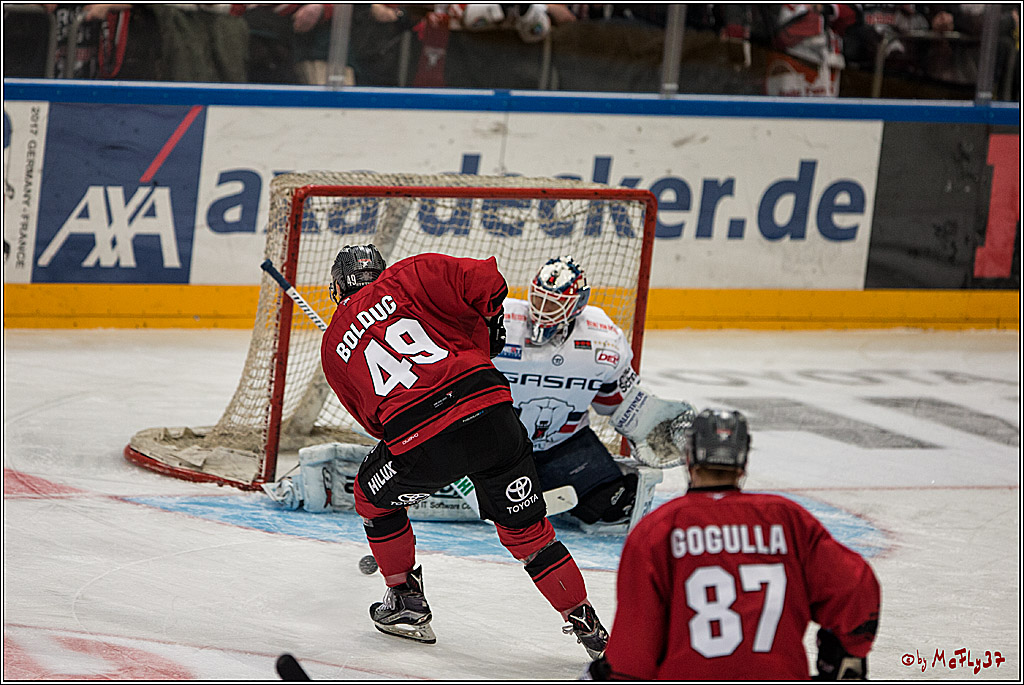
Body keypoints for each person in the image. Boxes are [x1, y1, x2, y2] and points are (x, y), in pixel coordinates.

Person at [318, 244, 608, 657]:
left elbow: (375, 424)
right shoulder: (409, 274)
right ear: (381, 271)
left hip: (421, 440)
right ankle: (586, 623)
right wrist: (489, 327)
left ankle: (404, 599)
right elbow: (487, 279)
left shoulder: (332, 344)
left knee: (370, 497)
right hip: (493, 415)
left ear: (337, 288)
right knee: (529, 536)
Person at [586, 408, 881, 680]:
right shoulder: (788, 519)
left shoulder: (658, 529)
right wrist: (845, 652)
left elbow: (633, 656)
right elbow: (857, 587)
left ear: (690, 457)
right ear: (743, 461)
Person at [492, 255, 695, 534]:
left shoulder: (603, 338)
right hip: (495, 445)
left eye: (553, 303)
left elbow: (617, 401)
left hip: (563, 445)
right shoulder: (501, 321)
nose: (542, 310)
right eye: (538, 298)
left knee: (613, 505)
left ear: (576, 304)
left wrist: (649, 427)